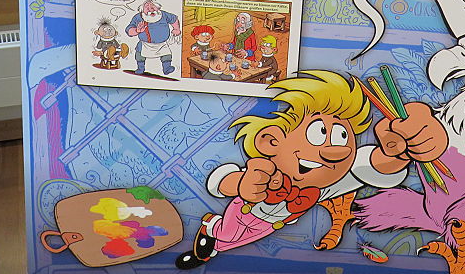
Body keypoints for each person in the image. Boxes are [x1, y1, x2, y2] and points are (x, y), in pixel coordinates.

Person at [174, 71, 447, 269]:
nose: (335, 151)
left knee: (233, 242)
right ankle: (209, 234)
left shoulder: (330, 183)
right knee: (225, 235)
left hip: (271, 224)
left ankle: (212, 243)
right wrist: (241, 184)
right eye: (319, 133)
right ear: (272, 141)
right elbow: (221, 181)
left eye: (342, 137)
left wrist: (400, 150)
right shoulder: (265, 169)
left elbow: (374, 165)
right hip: (242, 211)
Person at [126, 0, 181, 75]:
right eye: (147, 8)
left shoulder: (164, 15)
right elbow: (129, 30)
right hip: (145, 44)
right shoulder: (138, 18)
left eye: (152, 7)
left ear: (158, 7)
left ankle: (167, 68)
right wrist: (137, 30)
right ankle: (140, 68)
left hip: (162, 44)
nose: (150, 10)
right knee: (139, 54)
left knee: (166, 55)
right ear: (142, 10)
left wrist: (177, 29)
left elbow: (174, 19)